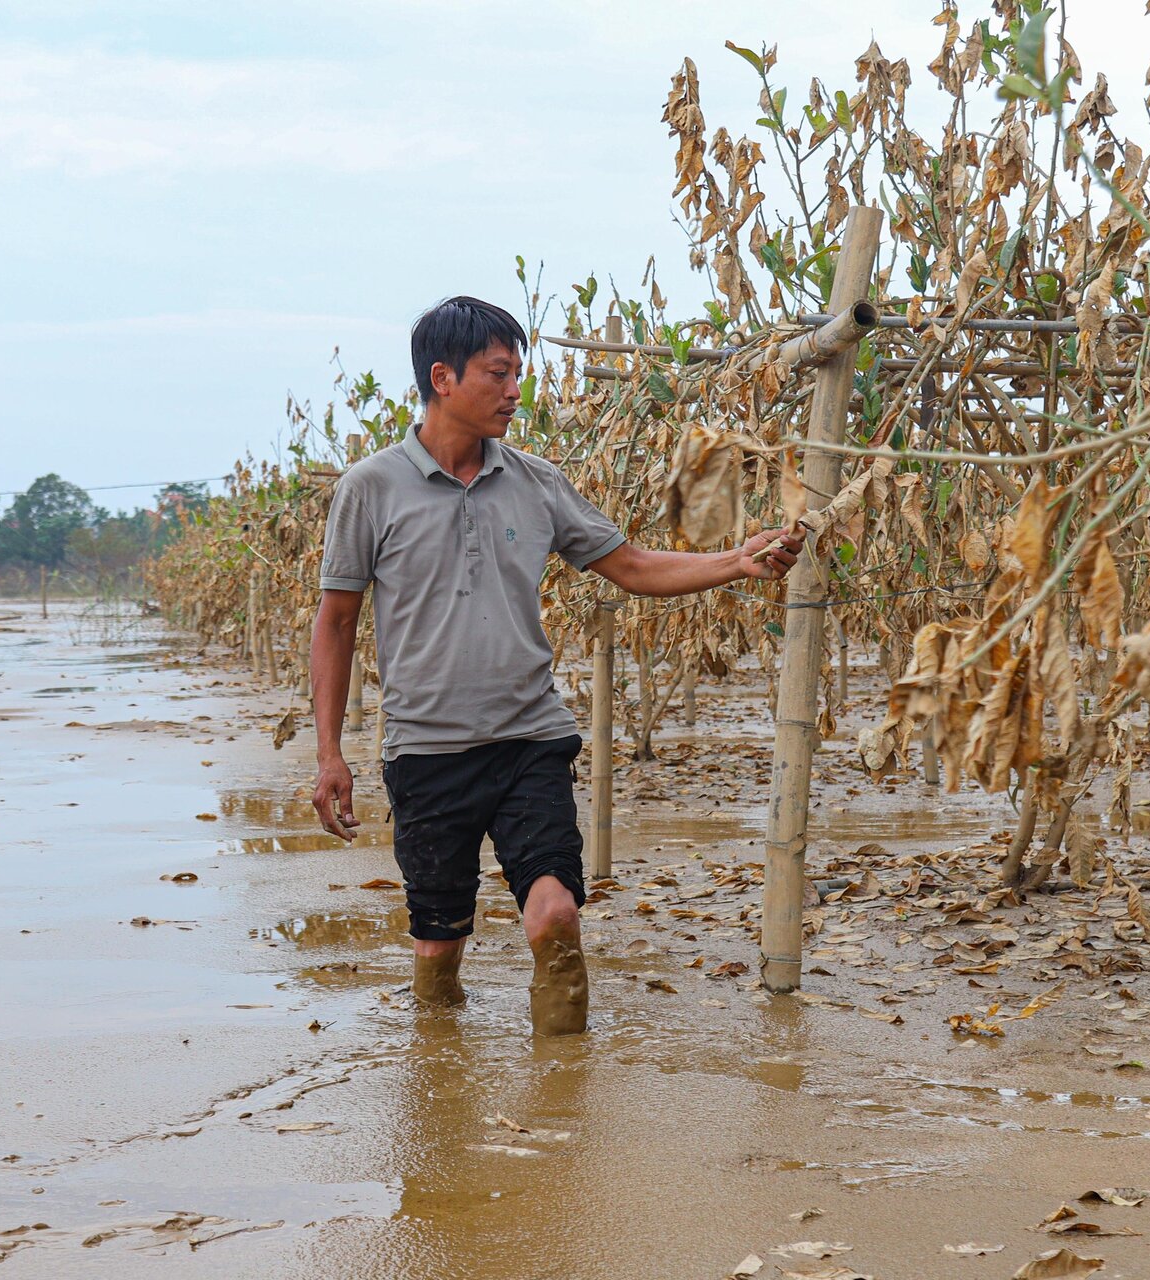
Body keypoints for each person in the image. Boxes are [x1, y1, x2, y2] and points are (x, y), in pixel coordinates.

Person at [309, 296, 801, 1036]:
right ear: (443, 378)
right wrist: (329, 754)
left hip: (529, 741)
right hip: (426, 751)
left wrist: (737, 561)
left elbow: (630, 566)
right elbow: (337, 621)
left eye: (518, 374)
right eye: (498, 374)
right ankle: (440, 1093)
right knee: (440, 944)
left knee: (558, 916)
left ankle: (564, 1119)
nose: (515, 392)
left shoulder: (537, 482)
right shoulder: (370, 489)